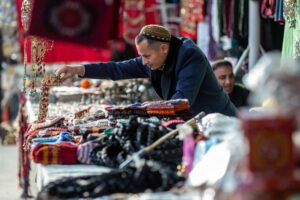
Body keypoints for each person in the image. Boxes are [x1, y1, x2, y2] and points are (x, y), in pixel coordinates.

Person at [55, 24, 236, 117]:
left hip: (221, 123)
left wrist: (139, 111)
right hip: (198, 123)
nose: (143, 62)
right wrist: (78, 69)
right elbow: (117, 69)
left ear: (163, 48)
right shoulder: (155, 59)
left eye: (146, 56)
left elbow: (181, 101)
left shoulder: (189, 56)